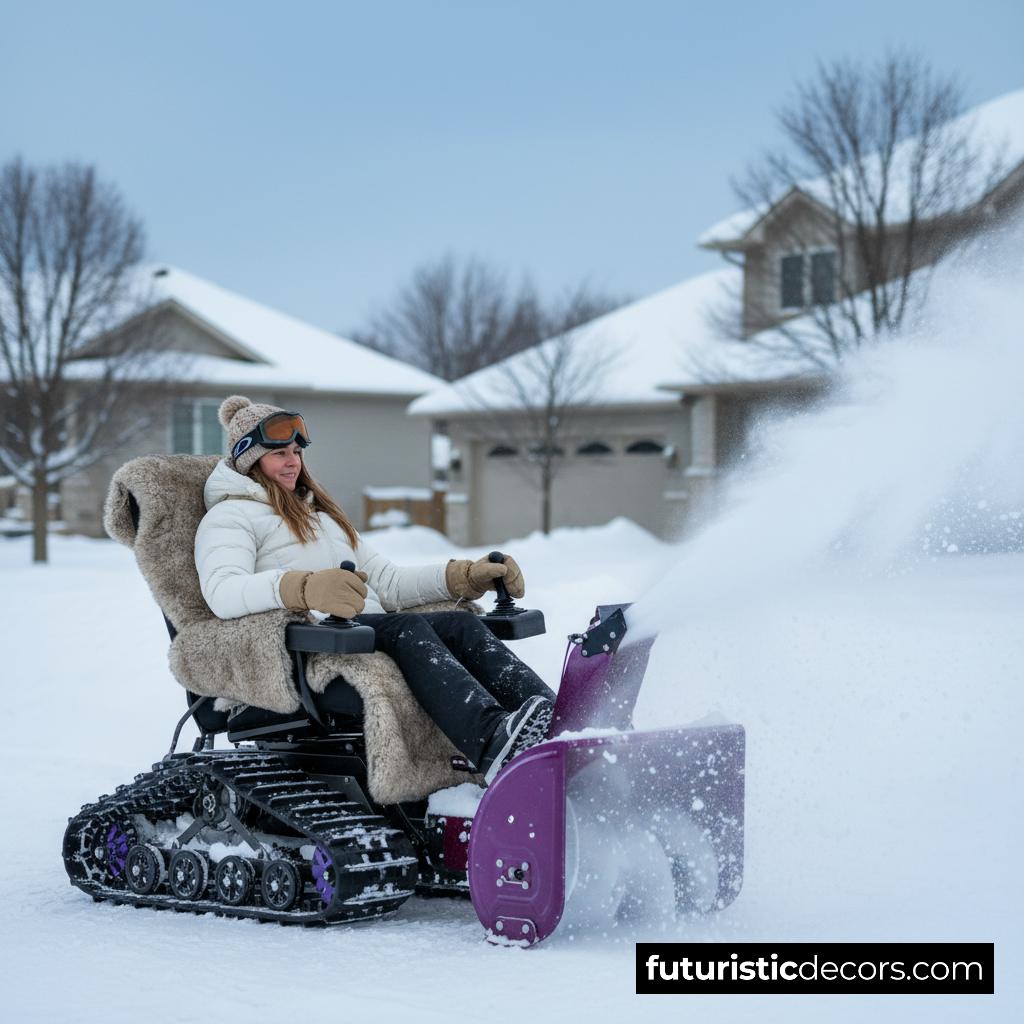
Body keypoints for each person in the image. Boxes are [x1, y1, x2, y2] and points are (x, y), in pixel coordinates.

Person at [194, 395, 555, 784]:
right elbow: (223, 592)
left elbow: (388, 582)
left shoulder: (320, 517)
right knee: (406, 629)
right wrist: (304, 588)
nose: (292, 461)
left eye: (296, 451)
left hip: (360, 632)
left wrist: (463, 578)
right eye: (279, 452)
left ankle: (559, 720)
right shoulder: (228, 517)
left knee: (458, 625)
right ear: (250, 460)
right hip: (312, 647)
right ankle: (493, 742)